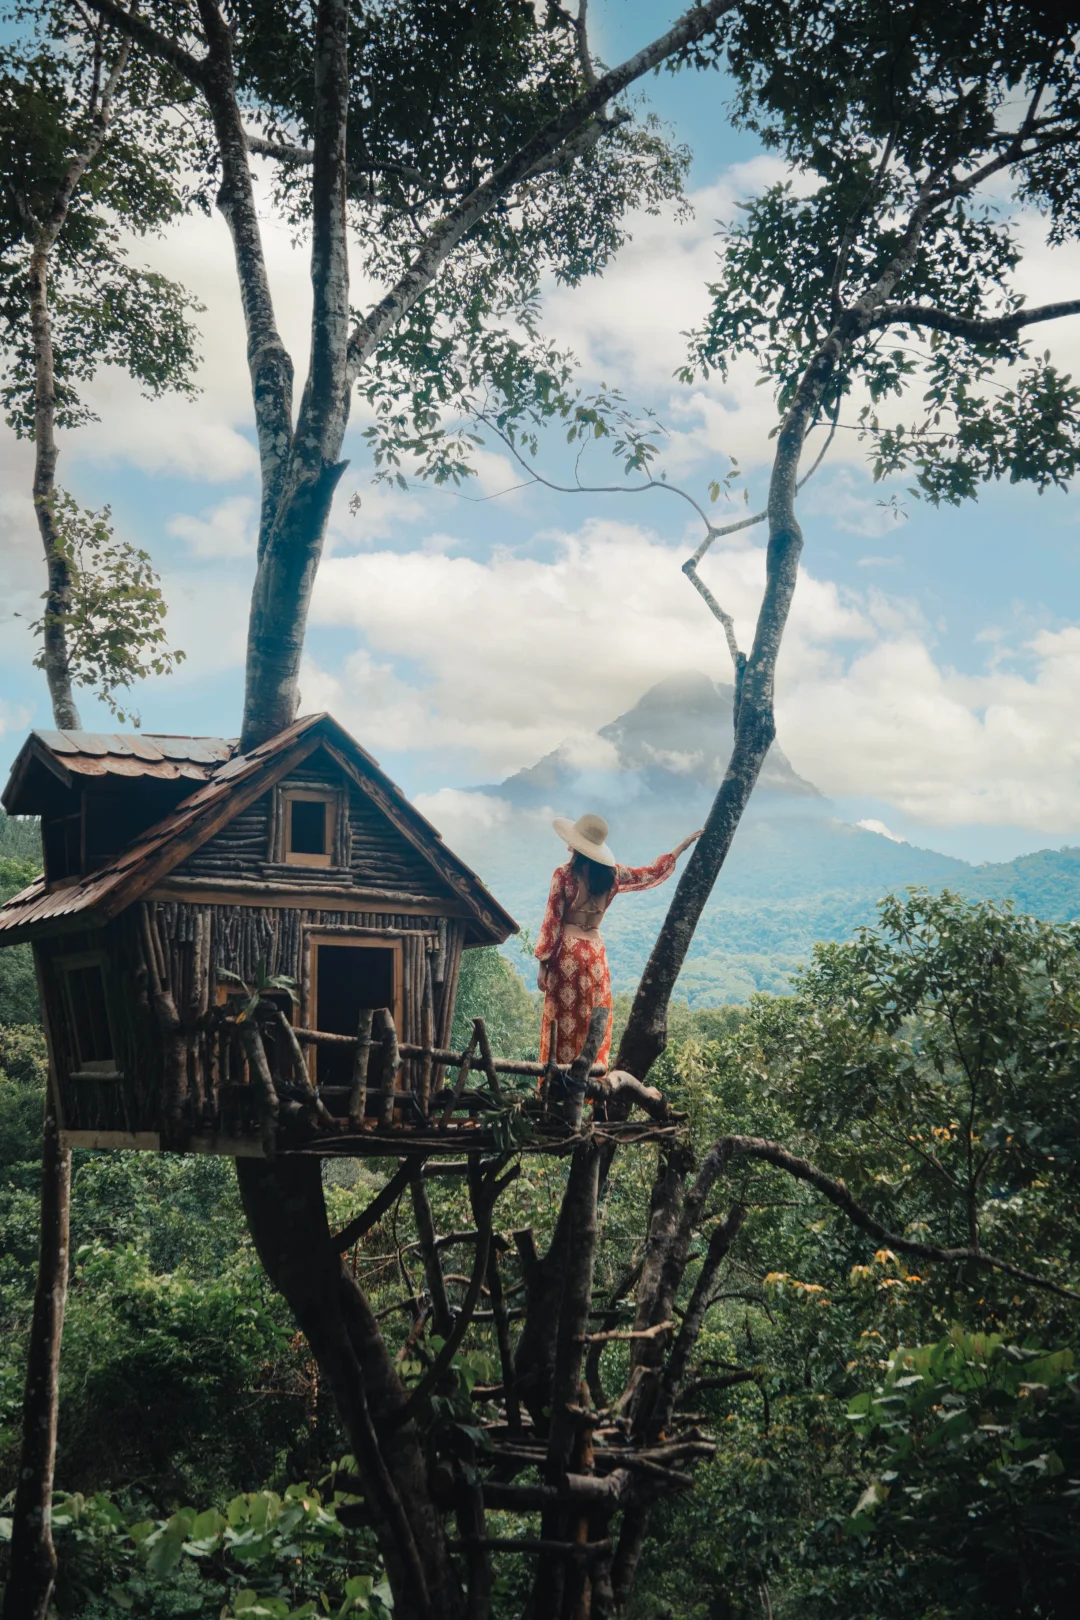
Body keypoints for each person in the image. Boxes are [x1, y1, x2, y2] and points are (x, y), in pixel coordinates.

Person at [534, 813, 703, 1071]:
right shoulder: (613, 875)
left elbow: (552, 920)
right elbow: (651, 873)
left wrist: (543, 964)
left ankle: (554, 1086)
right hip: (595, 953)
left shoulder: (564, 875)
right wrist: (680, 847)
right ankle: (591, 1081)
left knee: (561, 1018)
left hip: (567, 953)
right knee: (592, 1017)